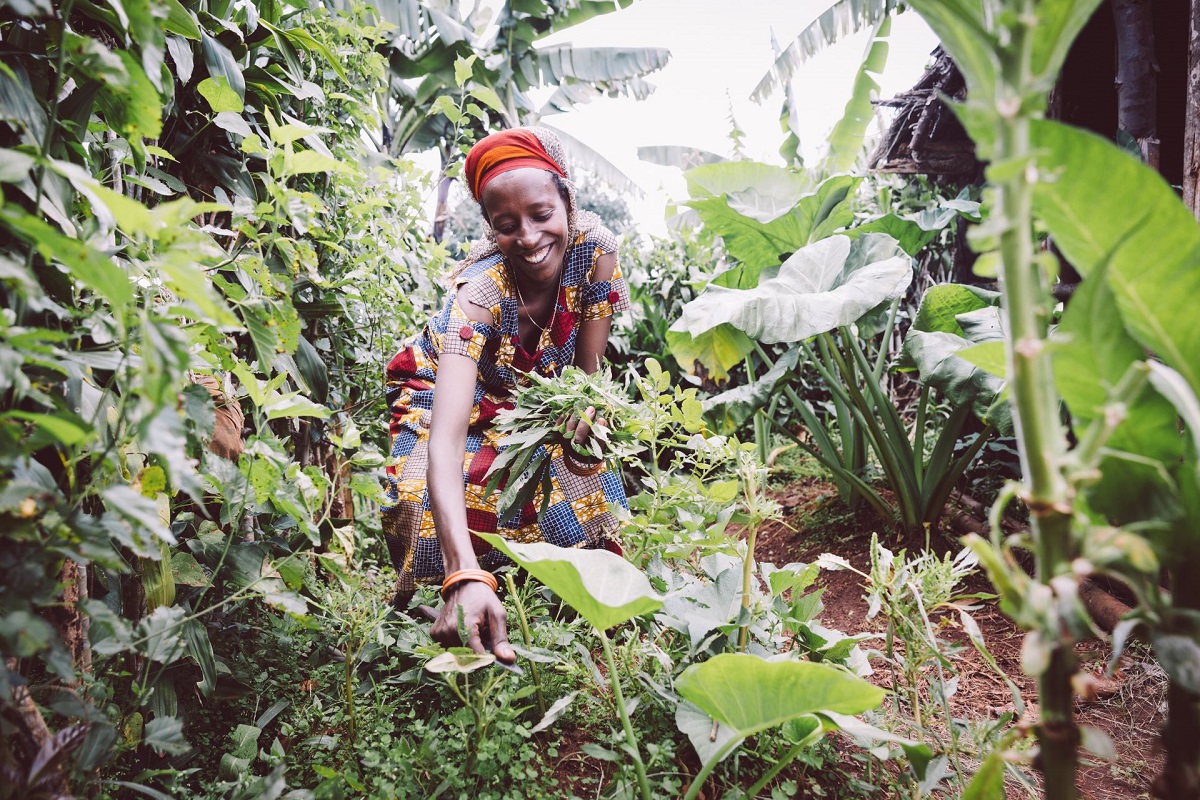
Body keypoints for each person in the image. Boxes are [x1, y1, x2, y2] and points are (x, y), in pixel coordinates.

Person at [381, 127, 631, 663]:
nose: (530, 237)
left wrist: (579, 419)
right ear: (491, 230)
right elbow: (444, 444)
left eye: (542, 214)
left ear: (567, 200)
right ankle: (452, 589)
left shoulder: (596, 257)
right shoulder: (480, 296)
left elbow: (585, 377)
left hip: (531, 389)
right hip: (440, 391)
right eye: (506, 225)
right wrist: (463, 573)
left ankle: (564, 583)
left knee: (576, 464)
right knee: (424, 490)